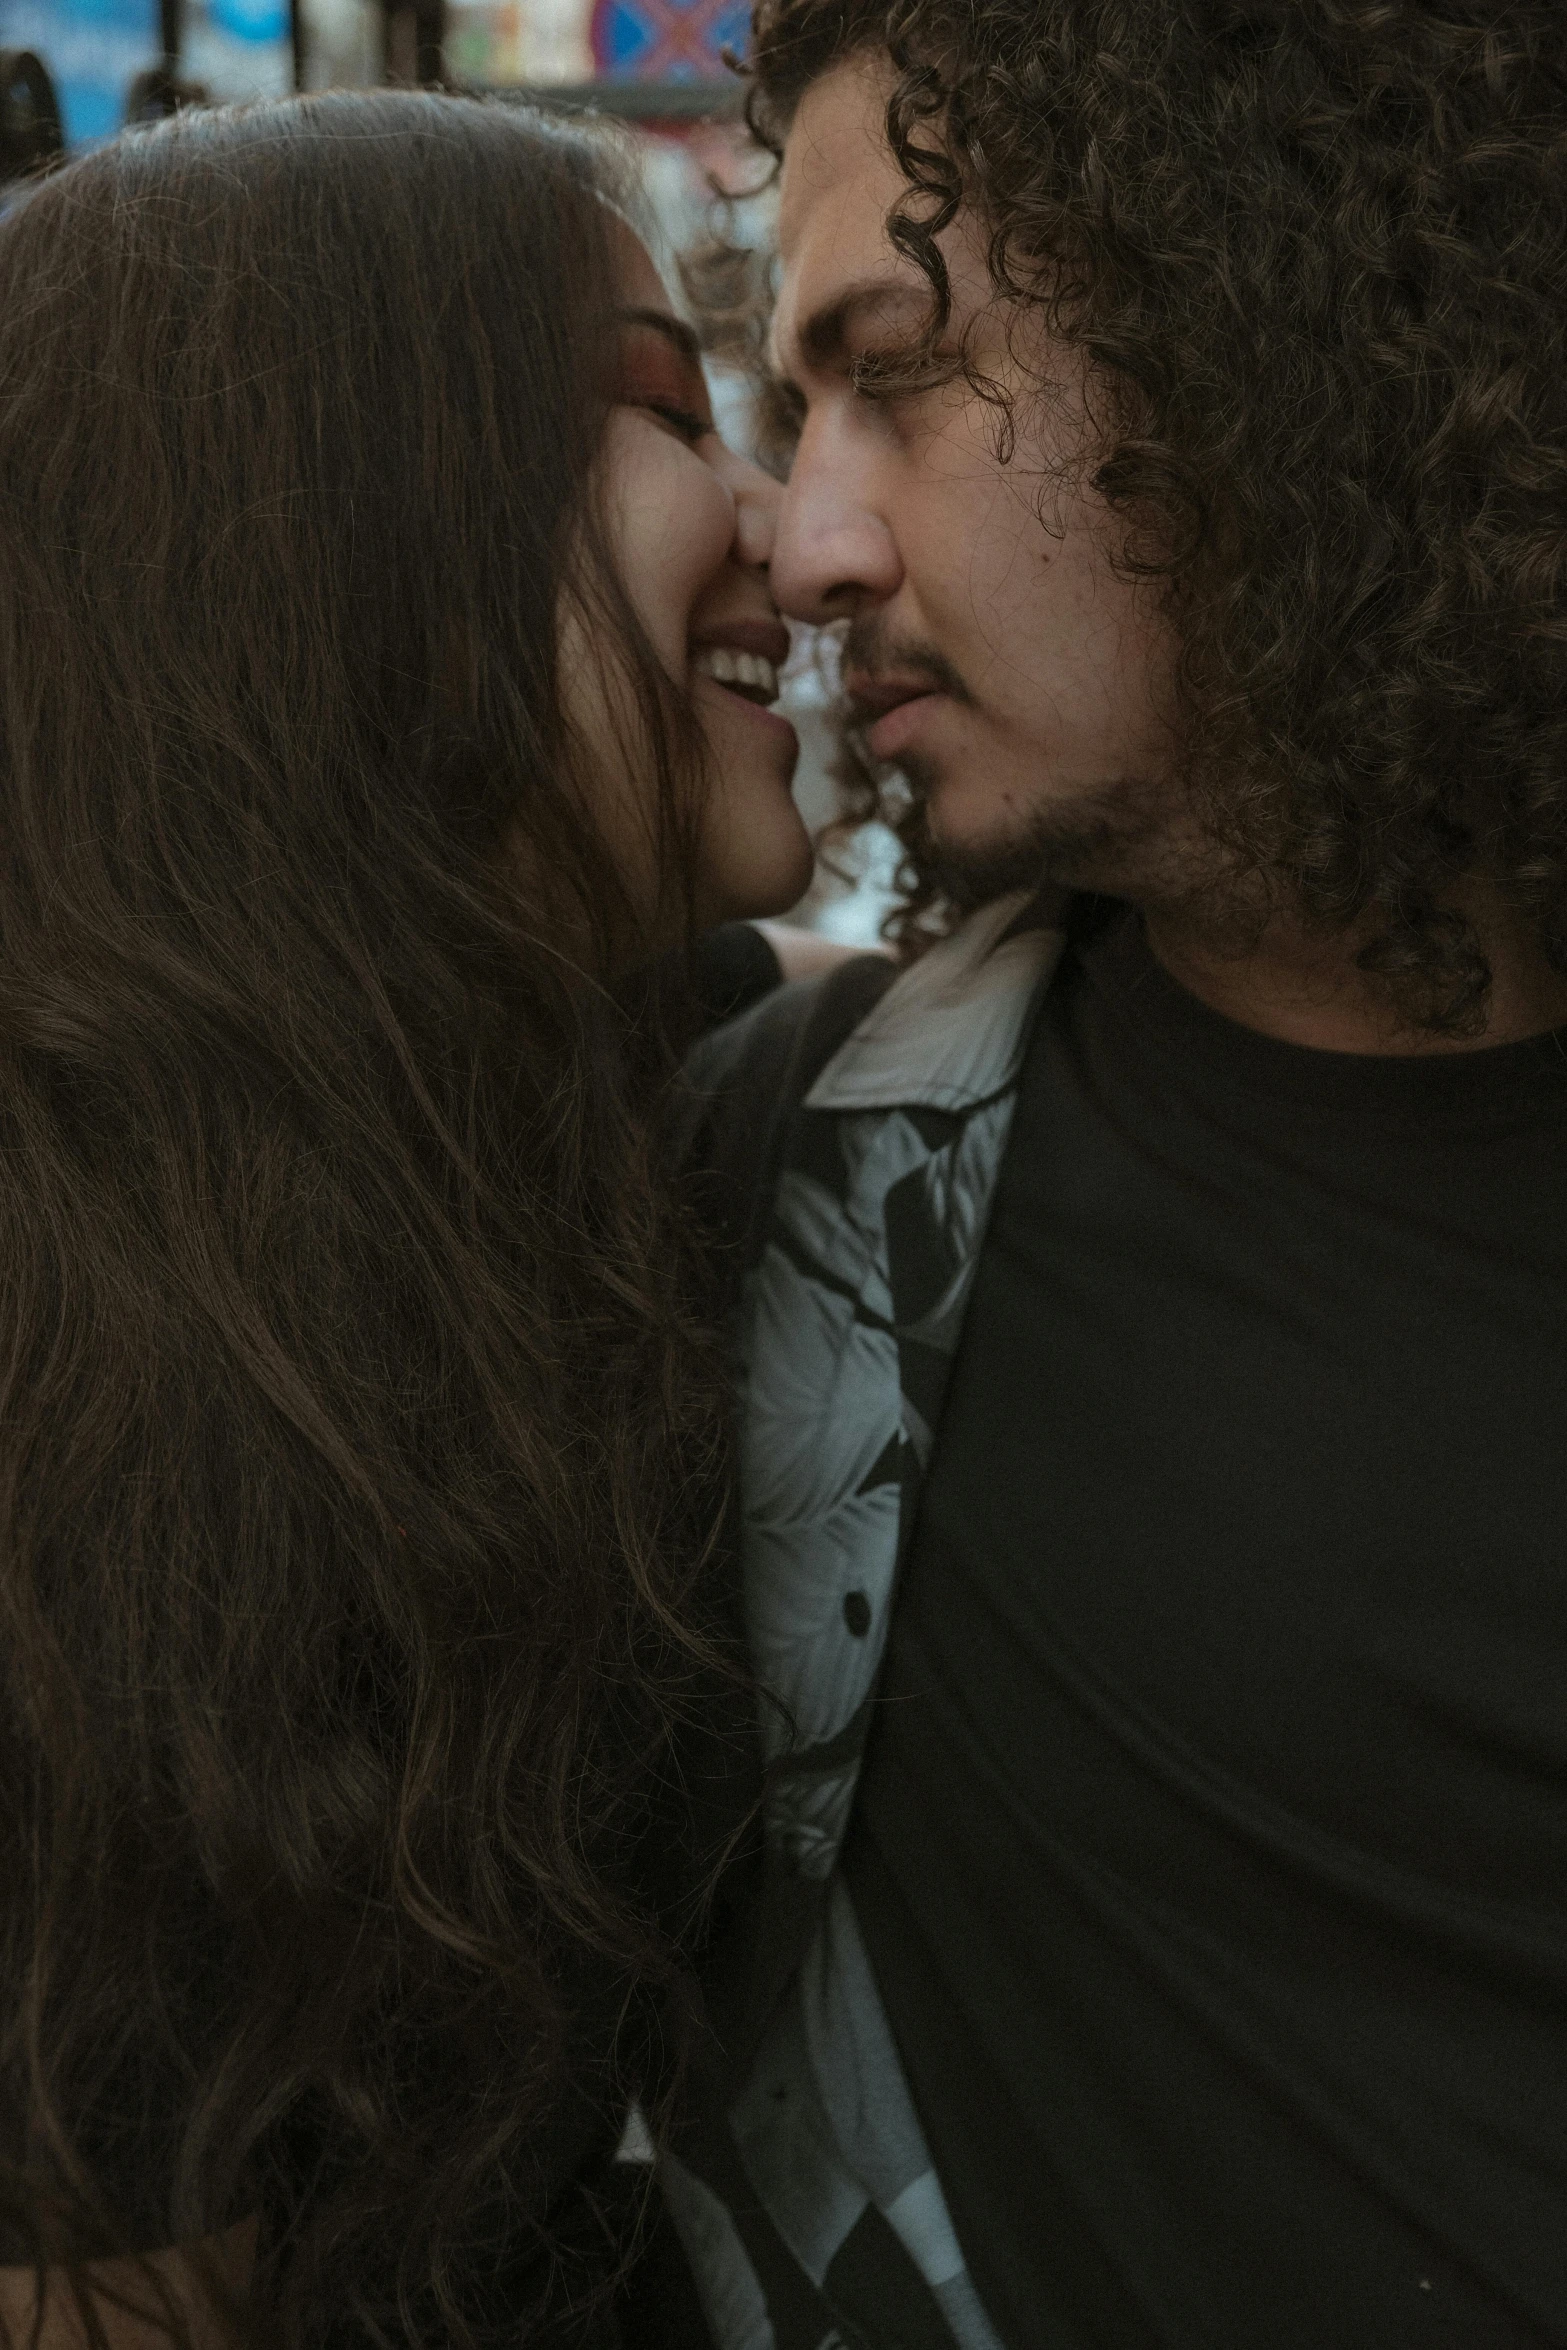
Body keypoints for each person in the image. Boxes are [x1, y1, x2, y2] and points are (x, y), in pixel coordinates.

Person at [643, 4, 1567, 2346]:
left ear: (1274, 323)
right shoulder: (801, 1179)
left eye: (903, 369)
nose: (820, 539)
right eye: (781, 411)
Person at [0, 89, 819, 2349]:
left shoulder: (609, 1048)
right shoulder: (81, 1433)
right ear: (327, 525)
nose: (792, 518)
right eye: (658, 409)